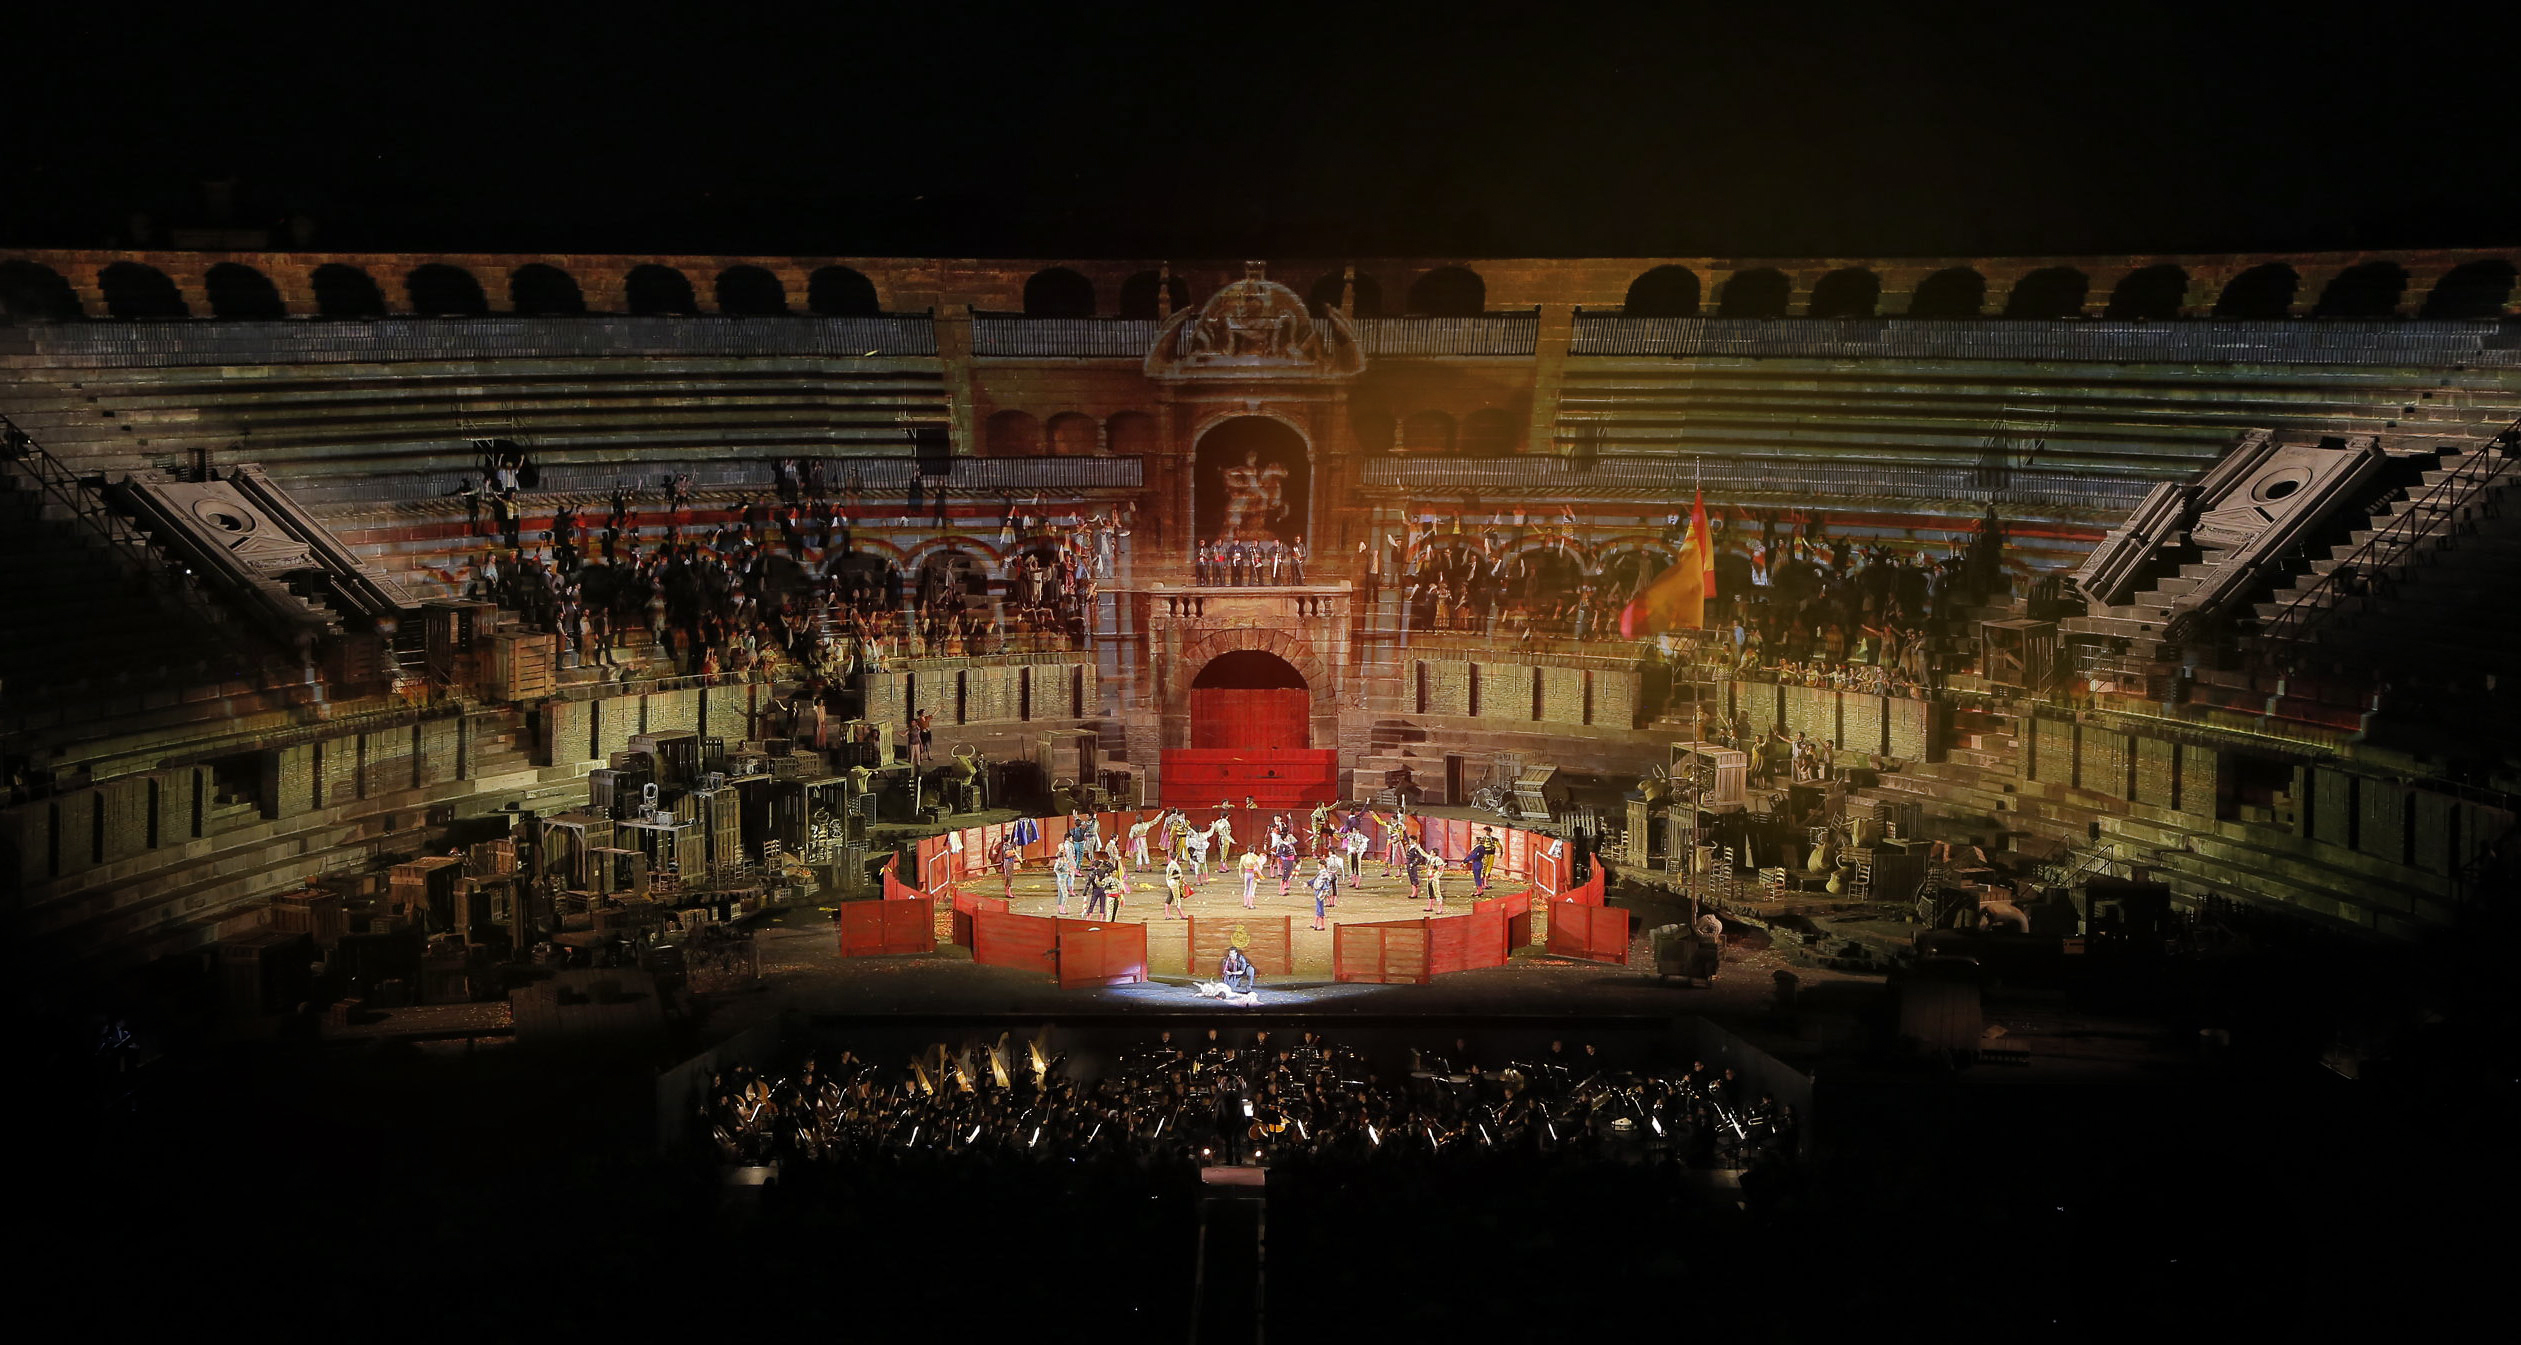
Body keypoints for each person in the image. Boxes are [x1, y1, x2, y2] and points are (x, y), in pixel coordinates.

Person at [1468, 826, 1502, 894]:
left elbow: (1500, 846)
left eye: (1488, 831)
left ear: (1490, 832)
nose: (1487, 833)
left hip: (1492, 855)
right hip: (1485, 855)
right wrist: (1472, 851)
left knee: (1489, 869)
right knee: (1484, 868)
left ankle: (1486, 883)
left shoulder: (1494, 839)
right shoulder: (1482, 839)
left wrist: (1501, 853)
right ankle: (1483, 884)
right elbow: (1476, 845)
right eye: (1486, 831)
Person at [1237, 847, 1266, 911]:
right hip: (1253, 874)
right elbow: (1260, 867)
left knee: (1246, 888)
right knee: (1252, 889)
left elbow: (1240, 866)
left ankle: (1245, 903)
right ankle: (1250, 904)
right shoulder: (1255, 858)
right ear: (1254, 850)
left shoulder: (1243, 857)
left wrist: (1240, 873)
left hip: (1246, 873)